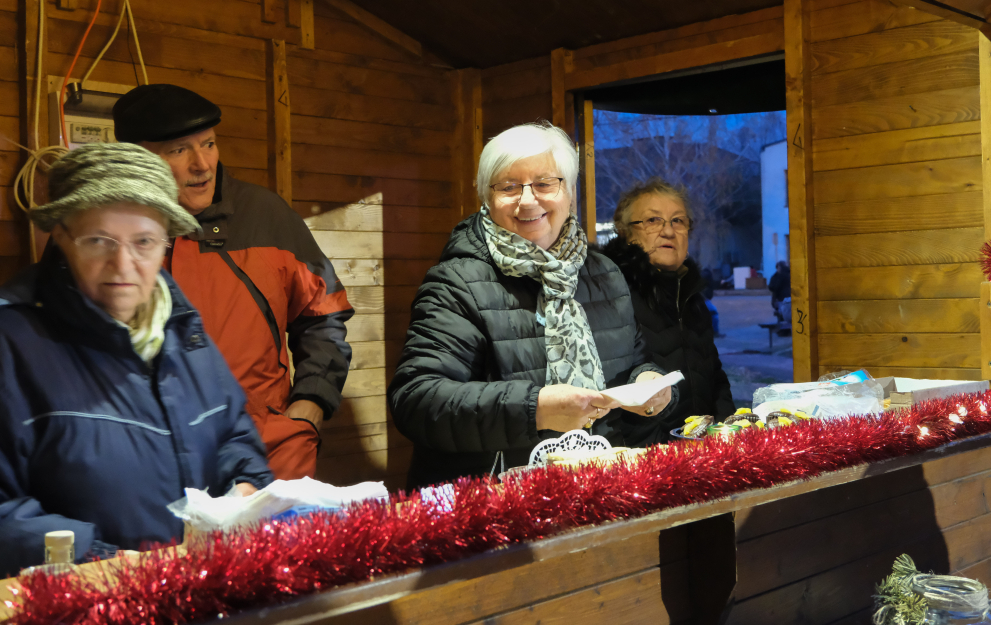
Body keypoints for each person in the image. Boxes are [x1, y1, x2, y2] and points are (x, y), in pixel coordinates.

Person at [0, 144, 273, 576]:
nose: (122, 264)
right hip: (83, 606)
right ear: (61, 237)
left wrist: (245, 487)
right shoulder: (12, 342)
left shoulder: (184, 329)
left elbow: (233, 435)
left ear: (165, 242)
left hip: (199, 591)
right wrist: (103, 562)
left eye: (144, 242)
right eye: (98, 241)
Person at [388, 123, 676, 489]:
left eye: (544, 183)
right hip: (494, 500)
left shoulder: (605, 274)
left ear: (569, 193)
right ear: (487, 198)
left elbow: (632, 363)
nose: (527, 200)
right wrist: (535, 408)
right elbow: (416, 401)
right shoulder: (456, 281)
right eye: (508, 186)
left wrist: (647, 383)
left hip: (598, 487)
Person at [112, 84, 354, 481]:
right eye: (179, 150)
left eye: (208, 144)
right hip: (148, 466)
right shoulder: (105, 230)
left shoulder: (266, 215)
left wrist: (310, 404)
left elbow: (323, 314)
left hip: (268, 457)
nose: (202, 165)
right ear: (139, 159)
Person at [602, 178, 735, 445]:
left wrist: (726, 434)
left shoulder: (692, 298)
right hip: (643, 457)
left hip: (703, 450)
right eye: (653, 220)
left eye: (678, 221)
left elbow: (714, 377)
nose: (668, 231)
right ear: (625, 232)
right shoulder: (610, 295)